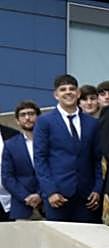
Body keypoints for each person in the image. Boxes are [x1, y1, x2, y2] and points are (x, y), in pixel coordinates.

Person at [34, 75, 103, 222]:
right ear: (56, 94)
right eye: (63, 89)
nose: (68, 92)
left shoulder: (92, 123)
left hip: (88, 198)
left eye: (72, 89)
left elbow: (97, 160)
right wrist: (50, 191)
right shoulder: (44, 122)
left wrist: (97, 189)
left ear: (78, 93)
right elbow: (40, 160)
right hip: (58, 196)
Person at [3, 101, 40, 220]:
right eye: (23, 115)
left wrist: (40, 195)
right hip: (22, 205)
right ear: (17, 121)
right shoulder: (10, 145)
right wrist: (26, 197)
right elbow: (7, 177)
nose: (27, 118)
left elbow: (58, 171)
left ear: (39, 117)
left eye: (31, 114)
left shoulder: (51, 141)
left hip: (51, 202)